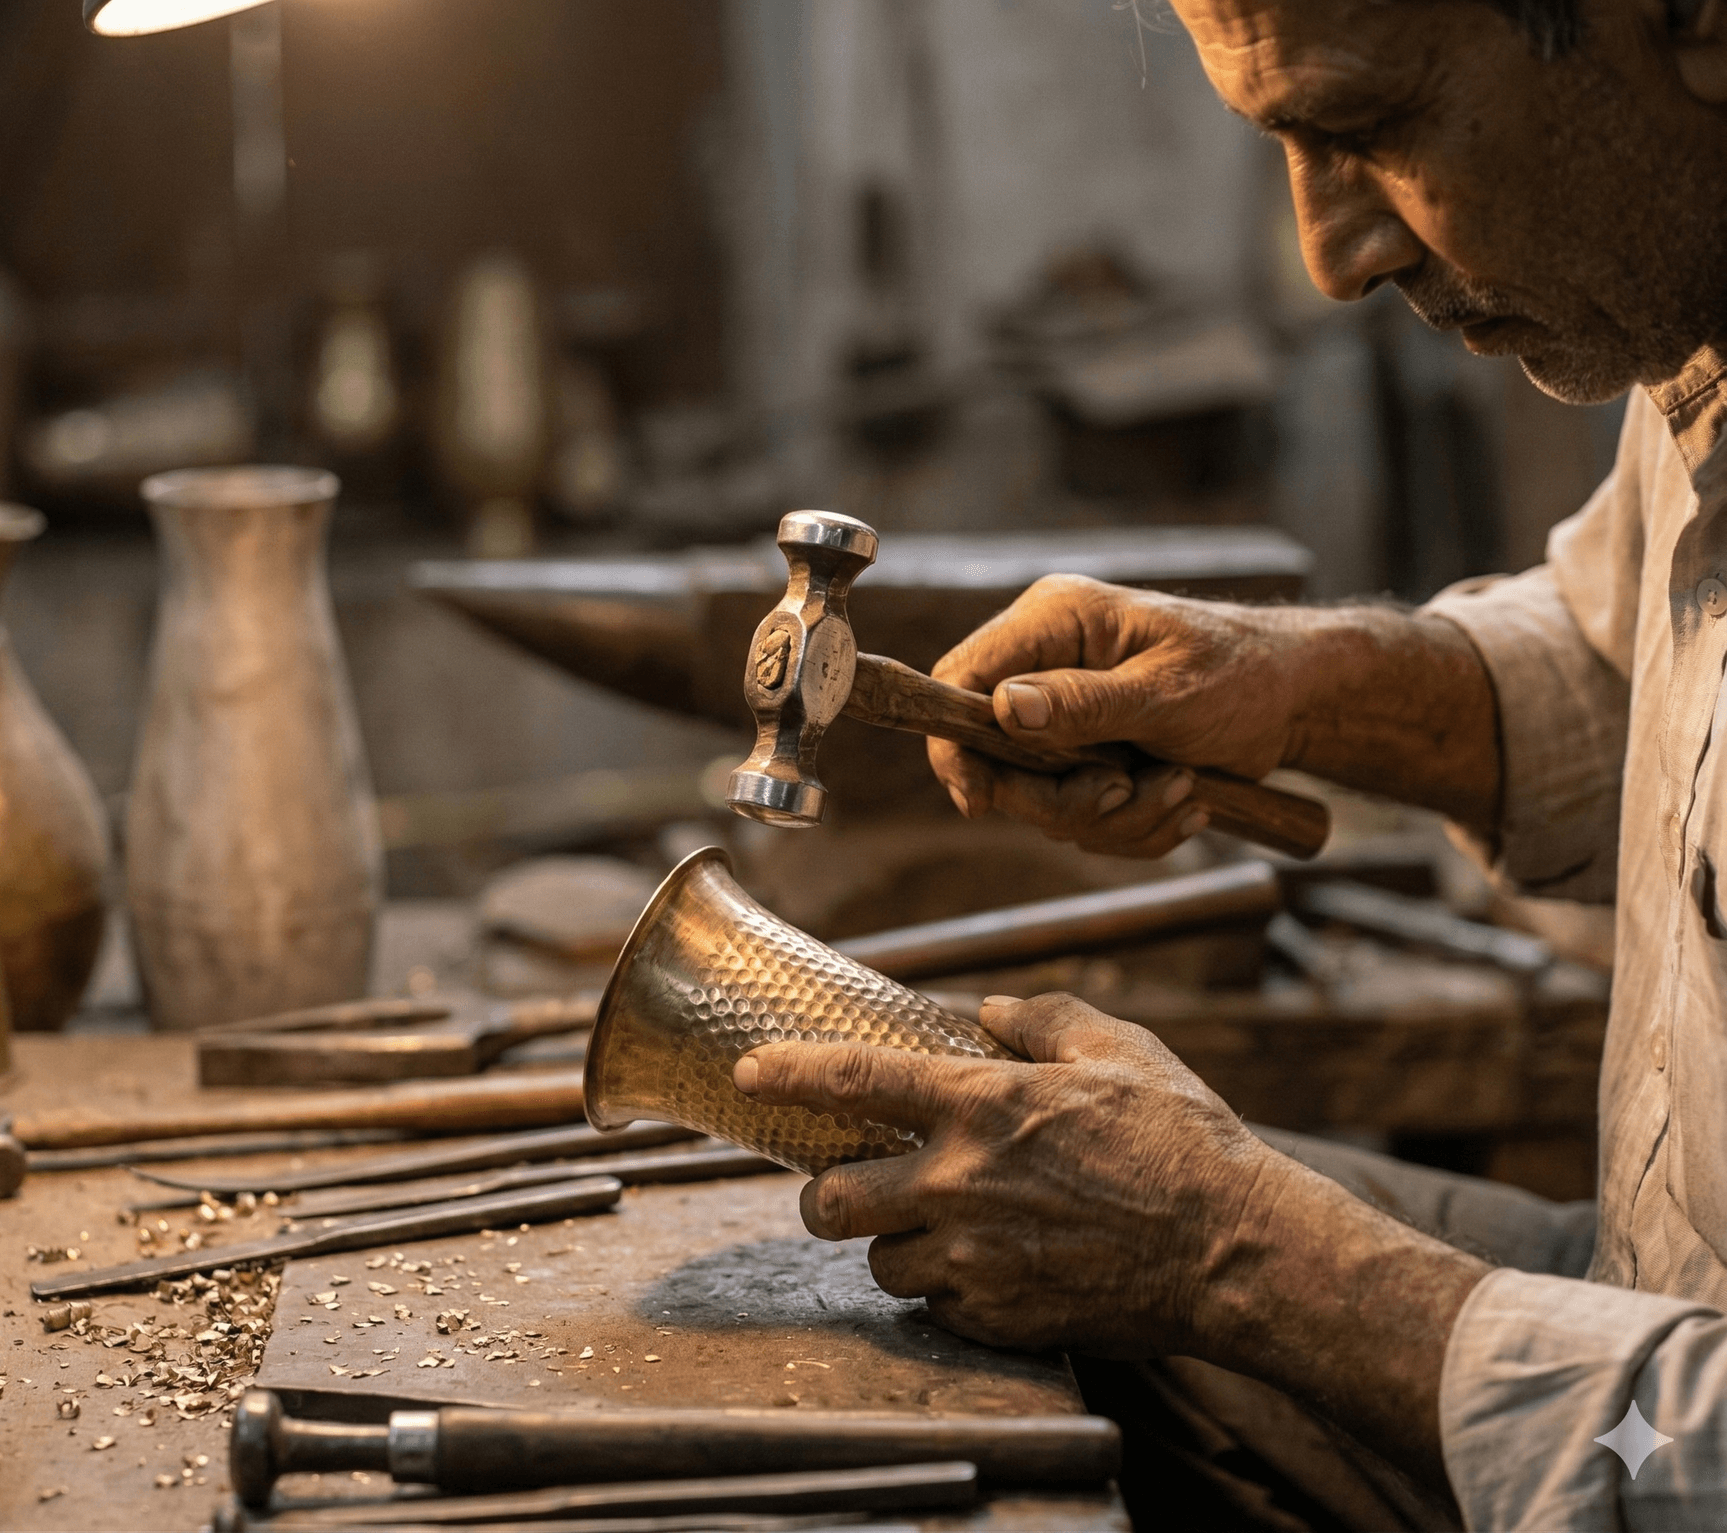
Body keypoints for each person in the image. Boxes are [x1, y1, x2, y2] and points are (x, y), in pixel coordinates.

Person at [729, 1, 1727, 1528]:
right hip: (1631, 1292)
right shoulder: (1698, 309)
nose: (1329, 257)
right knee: (987, 1255)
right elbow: (1622, 665)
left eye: (1367, 125)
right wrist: (1295, 685)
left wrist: (1236, 1253)